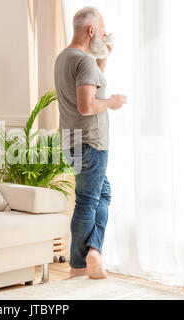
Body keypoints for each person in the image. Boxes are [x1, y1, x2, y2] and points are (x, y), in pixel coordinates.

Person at [54, 7, 127, 279]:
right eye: (102, 26)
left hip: (71, 140)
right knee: (87, 201)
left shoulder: (66, 57)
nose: (106, 30)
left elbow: (91, 82)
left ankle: (93, 252)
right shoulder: (82, 61)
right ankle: (79, 266)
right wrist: (113, 103)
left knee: (101, 194)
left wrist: (104, 57)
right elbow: (86, 106)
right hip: (90, 142)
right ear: (92, 30)